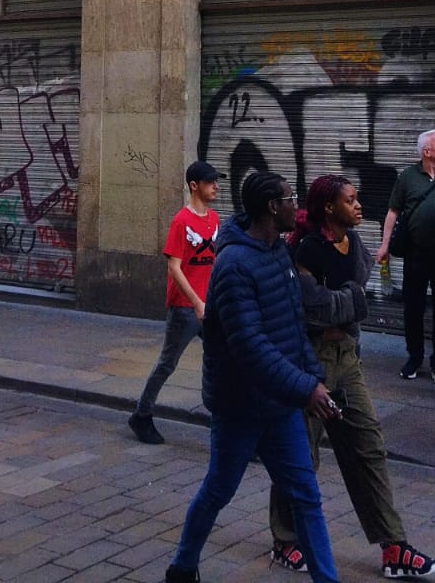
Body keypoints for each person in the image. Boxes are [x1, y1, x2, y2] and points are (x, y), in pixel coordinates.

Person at [165, 171, 343, 583]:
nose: (296, 205)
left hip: (280, 406)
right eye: (289, 198)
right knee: (218, 490)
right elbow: (251, 347)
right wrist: (305, 388)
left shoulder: (278, 251)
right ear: (270, 207)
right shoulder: (233, 266)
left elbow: (293, 325)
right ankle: (182, 568)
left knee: (306, 496)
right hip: (240, 406)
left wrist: (314, 378)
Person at [268, 175, 435, 578]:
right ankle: (285, 538)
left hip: (347, 358)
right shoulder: (308, 249)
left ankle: (393, 547)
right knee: (301, 456)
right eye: (351, 200)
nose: (359, 206)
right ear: (330, 208)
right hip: (310, 361)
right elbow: (315, 309)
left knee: (368, 446)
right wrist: (352, 303)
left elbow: (342, 299)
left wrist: (343, 304)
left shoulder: (356, 245)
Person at [130, 160, 222, 446]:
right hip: (185, 308)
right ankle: (141, 415)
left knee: (222, 362)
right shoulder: (182, 221)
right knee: (168, 363)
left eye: (216, 181)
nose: (216, 186)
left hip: (211, 306)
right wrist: (196, 302)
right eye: (210, 182)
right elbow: (175, 267)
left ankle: (227, 423)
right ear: (194, 185)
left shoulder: (215, 219)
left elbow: (215, 262)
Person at [378, 129, 435, 384]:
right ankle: (414, 357)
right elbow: (393, 212)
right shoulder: (408, 177)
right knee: (413, 308)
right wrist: (385, 245)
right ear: (427, 152)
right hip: (415, 254)